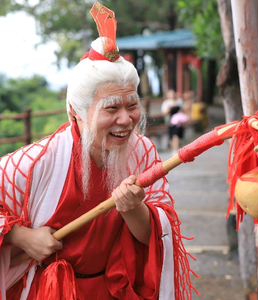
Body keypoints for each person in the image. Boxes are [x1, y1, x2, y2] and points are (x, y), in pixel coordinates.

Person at [0, 3, 200, 300]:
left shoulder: (143, 154)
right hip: (47, 290)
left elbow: (158, 235)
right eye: (111, 108)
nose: (125, 119)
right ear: (75, 113)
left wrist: (134, 209)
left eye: (132, 105)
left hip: (113, 287)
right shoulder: (33, 162)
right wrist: (22, 237)